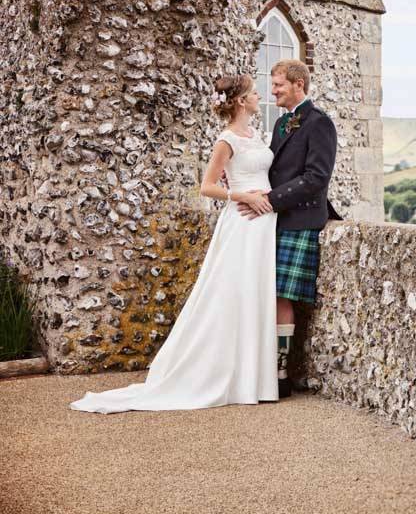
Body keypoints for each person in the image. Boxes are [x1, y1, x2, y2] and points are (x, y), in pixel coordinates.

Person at [70, 75, 280, 414]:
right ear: (241, 101)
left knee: (255, 292)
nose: (260, 96)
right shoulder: (226, 139)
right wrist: (241, 194)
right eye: (254, 93)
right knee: (233, 292)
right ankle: (226, 376)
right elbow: (207, 187)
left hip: (264, 222)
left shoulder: (257, 134)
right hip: (242, 219)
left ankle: (254, 377)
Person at [236, 59, 338, 398]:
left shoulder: (319, 123)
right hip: (276, 218)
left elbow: (316, 178)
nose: (273, 90)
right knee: (267, 290)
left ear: (298, 84)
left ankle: (281, 372)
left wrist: (270, 198)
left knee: (282, 295)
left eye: (278, 84)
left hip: (299, 217)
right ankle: (267, 366)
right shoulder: (281, 123)